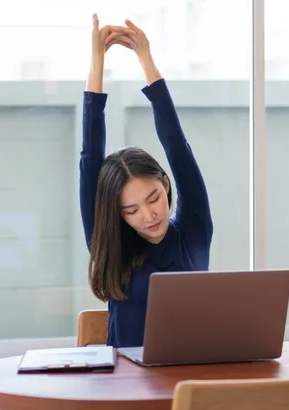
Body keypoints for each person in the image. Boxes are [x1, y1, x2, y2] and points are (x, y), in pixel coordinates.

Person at [80, 14, 213, 348]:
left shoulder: (194, 232)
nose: (149, 216)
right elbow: (90, 158)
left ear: (166, 185)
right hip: (127, 390)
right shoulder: (110, 245)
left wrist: (146, 59)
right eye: (131, 210)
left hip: (191, 384)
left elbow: (177, 148)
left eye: (153, 199)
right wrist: (97, 63)